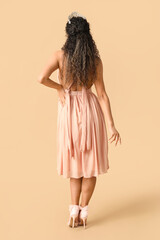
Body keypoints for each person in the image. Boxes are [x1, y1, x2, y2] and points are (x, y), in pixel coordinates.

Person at [38, 11, 121, 229]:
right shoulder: (94, 61)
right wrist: (111, 125)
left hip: (69, 112)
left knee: (75, 165)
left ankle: (73, 211)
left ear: (69, 34)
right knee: (90, 166)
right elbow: (102, 94)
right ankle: (84, 211)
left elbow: (41, 78)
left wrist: (59, 89)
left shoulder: (59, 56)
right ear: (88, 36)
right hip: (91, 112)